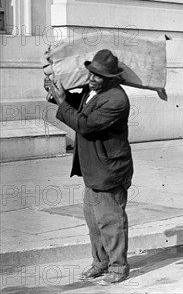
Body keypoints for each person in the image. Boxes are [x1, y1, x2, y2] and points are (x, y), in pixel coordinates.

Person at [46, 49, 133, 284]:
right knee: (93, 221)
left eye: (99, 75)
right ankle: (101, 262)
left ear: (112, 77)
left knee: (110, 220)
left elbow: (85, 125)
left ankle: (119, 267)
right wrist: (56, 93)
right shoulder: (92, 90)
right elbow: (76, 105)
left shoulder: (116, 99)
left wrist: (63, 103)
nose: (92, 78)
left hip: (109, 170)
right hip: (93, 167)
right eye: (91, 72)